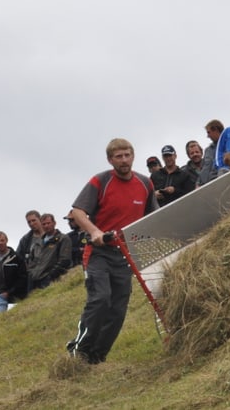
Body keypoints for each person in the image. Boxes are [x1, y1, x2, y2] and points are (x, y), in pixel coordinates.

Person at [66, 138, 158, 364]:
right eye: (119, 156)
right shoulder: (101, 181)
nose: (124, 160)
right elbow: (77, 212)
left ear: (133, 156)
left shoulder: (145, 184)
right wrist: (95, 232)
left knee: (118, 309)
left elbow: (152, 216)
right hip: (98, 252)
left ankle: (96, 357)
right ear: (110, 160)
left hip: (125, 255)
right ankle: (79, 351)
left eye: (127, 155)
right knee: (101, 299)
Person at [27, 213, 72, 290]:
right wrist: (30, 274)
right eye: (43, 224)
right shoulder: (37, 242)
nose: (46, 226)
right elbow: (30, 261)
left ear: (54, 223)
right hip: (34, 281)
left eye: (48, 223)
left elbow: (65, 260)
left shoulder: (63, 239)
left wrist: (50, 276)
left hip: (51, 280)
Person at [198, 119, 223, 187]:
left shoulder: (228, 145)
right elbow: (203, 168)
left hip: (220, 183)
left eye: (209, 132)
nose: (207, 136)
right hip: (205, 186)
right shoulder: (208, 150)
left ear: (216, 130)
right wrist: (198, 183)